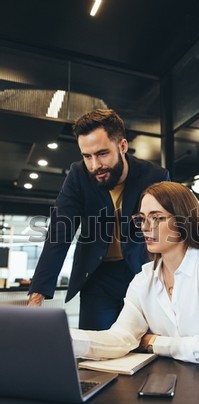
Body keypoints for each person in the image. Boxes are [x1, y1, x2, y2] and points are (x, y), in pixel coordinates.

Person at [71, 181, 199, 369]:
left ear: (183, 220)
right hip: (177, 374)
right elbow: (120, 338)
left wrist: (153, 342)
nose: (145, 227)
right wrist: (63, 337)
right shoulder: (144, 278)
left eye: (157, 218)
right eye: (141, 218)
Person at [28, 108, 170, 329]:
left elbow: (168, 233)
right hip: (97, 277)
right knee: (95, 352)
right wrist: (36, 300)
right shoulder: (78, 176)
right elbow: (60, 233)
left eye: (102, 154)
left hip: (142, 274)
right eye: (87, 156)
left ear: (122, 146)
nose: (95, 166)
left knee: (145, 348)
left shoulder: (155, 176)